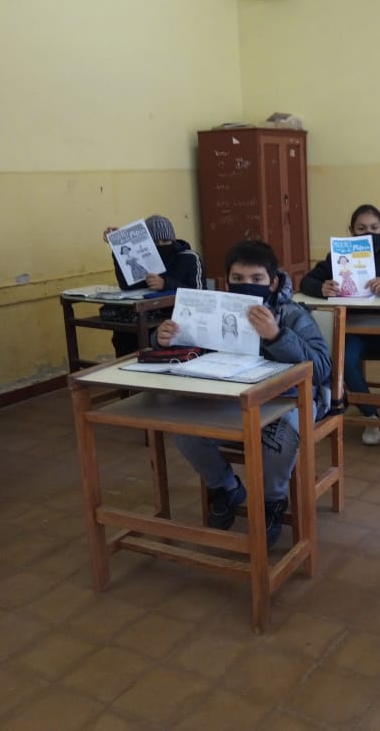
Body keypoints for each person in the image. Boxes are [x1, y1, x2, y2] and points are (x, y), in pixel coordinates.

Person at [156, 240, 331, 548]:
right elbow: (191, 352)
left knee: (283, 435)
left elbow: (321, 367)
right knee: (184, 428)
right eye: (238, 279)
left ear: (272, 282)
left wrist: (276, 336)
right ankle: (226, 487)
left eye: (256, 279)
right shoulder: (213, 311)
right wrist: (163, 340)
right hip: (231, 399)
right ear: (227, 281)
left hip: (288, 399)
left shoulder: (292, 314)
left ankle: (272, 501)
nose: (246, 285)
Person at [300, 204, 380, 446]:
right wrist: (321, 288)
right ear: (351, 231)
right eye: (361, 229)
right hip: (354, 330)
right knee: (344, 360)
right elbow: (306, 281)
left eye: (374, 227)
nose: (368, 233)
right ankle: (370, 414)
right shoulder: (339, 253)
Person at [101, 215, 205, 357]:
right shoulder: (143, 258)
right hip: (147, 315)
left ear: (173, 240)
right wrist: (117, 248)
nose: (161, 245)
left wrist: (166, 284)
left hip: (178, 318)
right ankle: (127, 363)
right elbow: (127, 285)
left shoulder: (189, 257)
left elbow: (200, 294)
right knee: (124, 333)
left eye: (165, 241)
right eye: (155, 243)